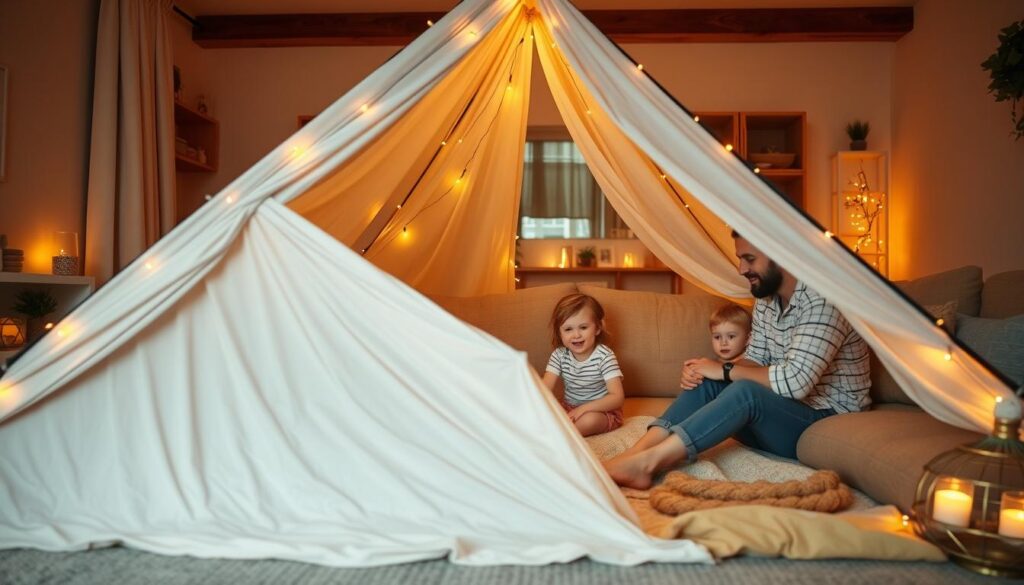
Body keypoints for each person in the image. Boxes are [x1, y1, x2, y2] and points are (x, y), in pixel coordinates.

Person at [603, 232, 870, 489]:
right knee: (715, 379)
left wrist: (725, 369)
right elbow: (755, 359)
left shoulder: (825, 299)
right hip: (779, 413)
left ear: (781, 253)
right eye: (741, 259)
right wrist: (705, 371)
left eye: (750, 259)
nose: (742, 269)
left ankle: (650, 463)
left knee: (744, 389)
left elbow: (796, 383)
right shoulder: (767, 299)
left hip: (824, 418)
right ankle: (634, 454)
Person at [542, 293, 625, 437]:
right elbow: (544, 389)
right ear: (559, 332)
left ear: (597, 328)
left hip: (601, 411)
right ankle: (558, 430)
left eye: (583, 327)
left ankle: (560, 435)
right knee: (545, 412)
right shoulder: (559, 355)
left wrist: (584, 409)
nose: (576, 335)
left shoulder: (604, 356)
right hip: (569, 408)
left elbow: (617, 398)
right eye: (568, 329)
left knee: (589, 420)